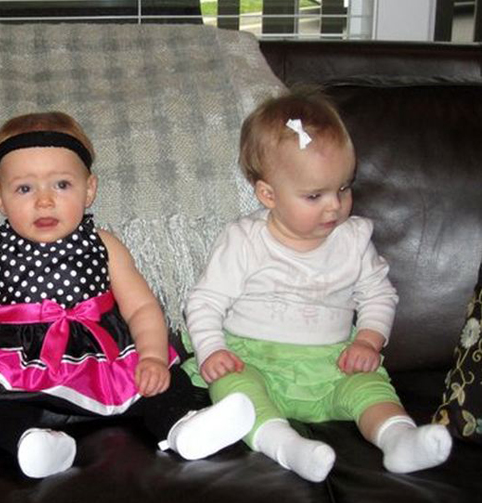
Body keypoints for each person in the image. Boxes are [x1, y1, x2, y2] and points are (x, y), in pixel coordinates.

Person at [0, 111, 255, 479]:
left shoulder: (104, 245)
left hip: (107, 360)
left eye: (61, 185)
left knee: (164, 381)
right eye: (25, 188)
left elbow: (141, 307)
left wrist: (152, 355)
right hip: (21, 367)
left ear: (89, 189)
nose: (44, 201)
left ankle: (184, 427)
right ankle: (32, 443)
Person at [183, 90, 453, 482]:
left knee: (369, 387)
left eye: (343, 188)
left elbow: (379, 294)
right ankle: (286, 445)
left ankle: (399, 437)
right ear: (268, 194)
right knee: (233, 389)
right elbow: (205, 301)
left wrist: (368, 341)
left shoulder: (353, 239)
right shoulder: (243, 240)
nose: (334, 206)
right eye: (314, 195)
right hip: (253, 359)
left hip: (332, 363)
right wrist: (213, 350)